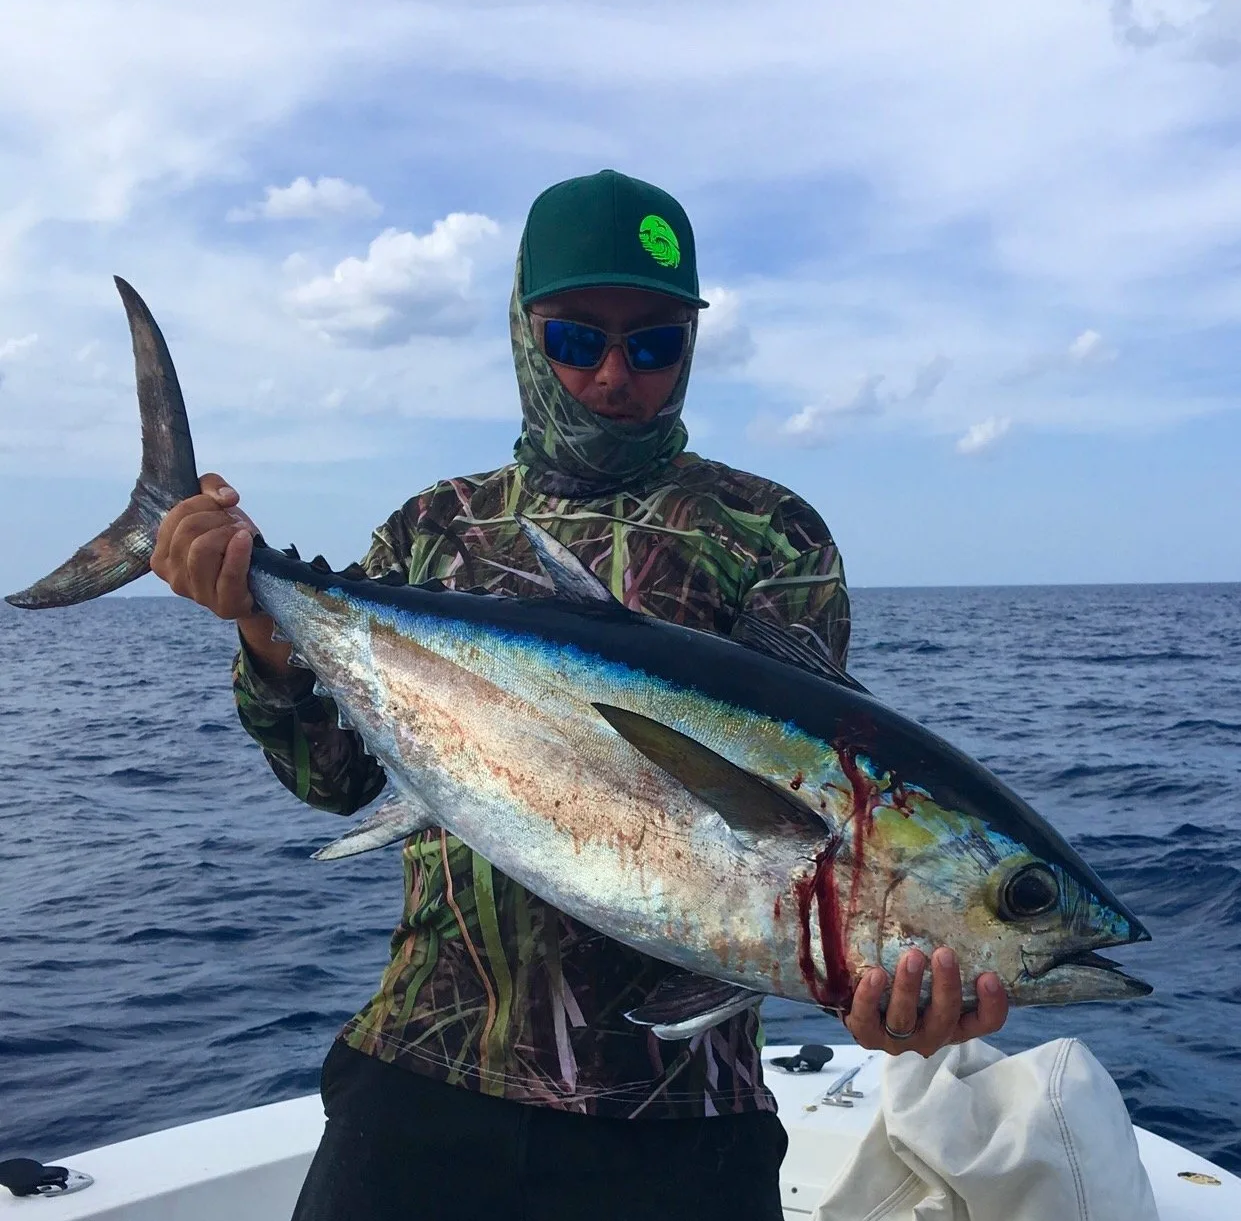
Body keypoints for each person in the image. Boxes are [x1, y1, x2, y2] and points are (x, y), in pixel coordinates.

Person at [152, 169, 1009, 1221]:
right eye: (576, 340)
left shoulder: (773, 533)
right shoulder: (433, 528)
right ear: (523, 333)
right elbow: (331, 781)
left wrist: (869, 981)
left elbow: (818, 839)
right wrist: (260, 626)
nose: (614, 375)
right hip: (431, 1064)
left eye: (653, 344)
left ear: (691, 345)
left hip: (687, 1110)